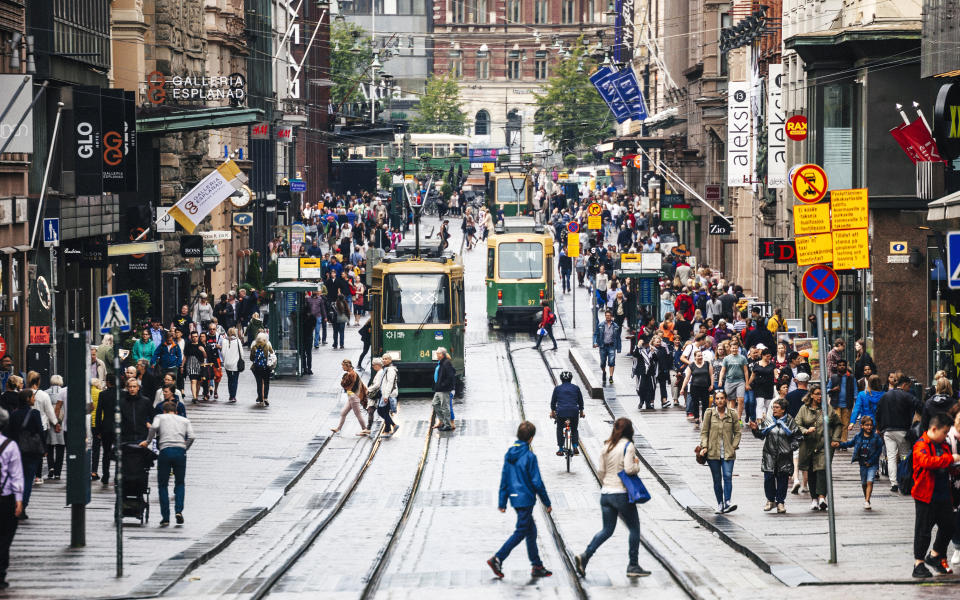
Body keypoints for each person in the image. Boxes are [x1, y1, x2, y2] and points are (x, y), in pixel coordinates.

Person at [574, 417, 650, 578]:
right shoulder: (628, 446)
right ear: (629, 431)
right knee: (634, 528)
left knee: (607, 530)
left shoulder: (606, 446)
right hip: (621, 494)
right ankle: (633, 565)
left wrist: (606, 484)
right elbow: (629, 469)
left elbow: (600, 471)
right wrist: (637, 464)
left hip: (606, 494)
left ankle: (585, 556)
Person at [487, 421, 553, 579]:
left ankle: (537, 565)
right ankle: (497, 558)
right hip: (526, 499)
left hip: (515, 499)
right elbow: (537, 482)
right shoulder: (530, 456)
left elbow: (504, 478)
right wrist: (547, 502)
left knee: (531, 531)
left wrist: (502, 502)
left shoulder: (509, 454)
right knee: (521, 531)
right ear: (531, 438)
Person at [910, 412, 960, 578]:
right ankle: (919, 564)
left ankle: (934, 555)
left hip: (943, 495)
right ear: (934, 429)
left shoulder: (942, 445)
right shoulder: (921, 445)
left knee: (949, 526)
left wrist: (954, 465)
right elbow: (926, 462)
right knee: (923, 531)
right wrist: (950, 459)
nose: (946, 436)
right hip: (925, 496)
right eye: (945, 432)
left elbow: (946, 464)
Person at [141, 400, 196, 527]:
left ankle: (165, 517)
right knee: (180, 482)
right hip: (180, 452)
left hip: (165, 451)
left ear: (164, 411)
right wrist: (184, 447)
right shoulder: (184, 420)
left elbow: (153, 427)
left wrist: (148, 441)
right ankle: (178, 510)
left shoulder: (160, 417)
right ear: (176, 411)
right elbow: (192, 436)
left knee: (163, 485)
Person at [795, 386, 843, 511]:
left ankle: (822, 497)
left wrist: (835, 439)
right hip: (808, 445)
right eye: (817, 394)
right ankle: (814, 499)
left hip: (824, 445)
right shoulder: (804, 409)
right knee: (811, 471)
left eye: (821, 394)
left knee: (822, 469)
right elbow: (797, 424)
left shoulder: (827, 409)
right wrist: (805, 431)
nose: (820, 397)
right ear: (811, 395)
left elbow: (838, 424)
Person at [750, 398, 800, 513]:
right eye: (773, 408)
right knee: (768, 478)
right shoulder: (768, 420)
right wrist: (755, 429)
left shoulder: (790, 421)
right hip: (769, 454)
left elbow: (797, 437)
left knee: (782, 479)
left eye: (777, 408)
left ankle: (781, 502)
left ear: (783, 410)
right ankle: (770, 500)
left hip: (784, 456)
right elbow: (761, 435)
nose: (774, 410)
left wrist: (792, 447)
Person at [876, 374, 922, 493]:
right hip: (902, 430)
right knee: (904, 456)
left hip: (887, 431)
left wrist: (879, 428)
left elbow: (878, 412)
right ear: (905, 384)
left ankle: (893, 483)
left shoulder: (885, 396)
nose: (909, 389)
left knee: (891, 457)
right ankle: (904, 481)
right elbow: (920, 406)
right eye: (908, 387)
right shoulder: (907, 396)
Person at [699, 390, 741, 513]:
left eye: (722, 398)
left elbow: (738, 432)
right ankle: (720, 504)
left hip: (728, 452)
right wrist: (704, 446)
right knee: (717, 479)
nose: (720, 401)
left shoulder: (732, 413)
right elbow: (704, 432)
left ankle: (728, 501)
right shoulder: (709, 413)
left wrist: (733, 446)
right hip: (713, 452)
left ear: (726, 399)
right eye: (717, 398)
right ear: (714, 400)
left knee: (728, 476)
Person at [837, 415, 884, 510]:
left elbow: (879, 450)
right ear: (862, 426)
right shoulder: (858, 436)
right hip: (862, 463)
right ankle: (866, 497)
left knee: (870, 481)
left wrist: (871, 461)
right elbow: (850, 444)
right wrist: (839, 444)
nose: (869, 427)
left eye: (870, 425)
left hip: (872, 463)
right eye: (867, 425)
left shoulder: (876, 437)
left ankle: (867, 500)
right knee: (864, 483)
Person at [7, 390, 41, 519]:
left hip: (16, 451)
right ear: (28, 399)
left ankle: (15, 504)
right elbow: (40, 432)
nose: (34, 399)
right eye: (33, 397)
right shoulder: (35, 414)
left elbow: (9, 432)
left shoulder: (14, 414)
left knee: (16, 478)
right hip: (31, 452)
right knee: (27, 480)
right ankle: (23, 507)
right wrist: (43, 449)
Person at [0, 407, 24, 590]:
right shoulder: (10, 446)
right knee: (5, 537)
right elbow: (16, 475)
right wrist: (19, 500)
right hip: (5, 498)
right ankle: (1, 573)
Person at [550, 371, 584, 455]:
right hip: (574, 412)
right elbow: (580, 401)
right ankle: (575, 446)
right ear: (571, 379)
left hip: (561, 412)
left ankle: (561, 449)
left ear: (561, 379)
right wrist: (581, 412)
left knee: (559, 428)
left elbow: (553, 402)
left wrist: (553, 412)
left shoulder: (557, 388)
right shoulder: (576, 388)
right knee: (574, 428)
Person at [332, 359, 369, 436]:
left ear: (347, 366)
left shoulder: (350, 374)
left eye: (343, 366)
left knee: (358, 414)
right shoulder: (352, 373)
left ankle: (365, 429)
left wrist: (343, 380)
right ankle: (338, 429)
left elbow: (343, 384)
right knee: (343, 413)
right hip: (351, 397)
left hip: (353, 397)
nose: (342, 367)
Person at [718, 337, 749, 420]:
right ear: (730, 349)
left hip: (740, 381)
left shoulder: (742, 358)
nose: (734, 349)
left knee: (741, 399)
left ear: (738, 349)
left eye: (736, 348)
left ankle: (738, 418)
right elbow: (722, 371)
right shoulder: (727, 358)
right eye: (733, 348)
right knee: (731, 400)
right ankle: (731, 417)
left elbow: (746, 371)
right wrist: (720, 380)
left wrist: (747, 383)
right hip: (729, 381)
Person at [681, 349, 713, 426]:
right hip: (695, 387)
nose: (700, 357)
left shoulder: (707, 364)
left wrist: (711, 385)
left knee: (705, 403)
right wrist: (682, 388)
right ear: (695, 357)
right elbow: (687, 378)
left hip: (705, 387)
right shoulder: (691, 365)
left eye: (701, 355)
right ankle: (696, 418)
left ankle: (704, 418)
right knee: (695, 403)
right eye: (698, 356)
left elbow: (711, 375)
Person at [368, 357, 399, 436]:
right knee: (384, 411)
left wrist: (386, 396)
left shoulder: (390, 370)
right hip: (385, 394)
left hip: (388, 394)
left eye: (386, 359)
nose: (384, 360)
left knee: (382, 411)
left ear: (390, 360)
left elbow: (389, 383)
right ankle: (388, 429)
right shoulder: (386, 369)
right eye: (383, 359)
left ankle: (391, 427)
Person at [828, 359, 857, 443]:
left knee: (845, 424)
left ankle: (843, 442)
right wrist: (833, 389)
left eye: (843, 365)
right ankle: (836, 440)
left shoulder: (851, 377)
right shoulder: (833, 377)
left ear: (846, 366)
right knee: (837, 423)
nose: (841, 366)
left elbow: (855, 390)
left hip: (847, 404)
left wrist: (856, 402)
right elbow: (827, 389)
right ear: (837, 367)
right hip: (835, 404)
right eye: (840, 365)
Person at [119, 378, 154, 444]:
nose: (132, 389)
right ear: (127, 388)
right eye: (130, 387)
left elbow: (152, 416)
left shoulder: (146, 401)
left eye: (134, 386)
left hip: (142, 437)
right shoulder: (122, 403)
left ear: (138, 387)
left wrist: (149, 423)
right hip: (126, 438)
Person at [594, 310, 621, 385]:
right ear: (605, 316)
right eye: (606, 315)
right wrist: (595, 342)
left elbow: (618, 337)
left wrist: (619, 348)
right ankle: (604, 372)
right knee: (602, 363)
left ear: (611, 316)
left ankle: (611, 377)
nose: (608, 317)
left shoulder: (615, 326)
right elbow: (596, 334)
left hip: (611, 346)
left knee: (611, 362)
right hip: (603, 346)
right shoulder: (601, 325)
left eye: (609, 315)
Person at [432, 347, 456, 431]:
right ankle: (442, 421)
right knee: (435, 404)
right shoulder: (441, 363)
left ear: (442, 354)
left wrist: (443, 385)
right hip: (438, 389)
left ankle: (447, 424)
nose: (436, 355)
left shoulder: (446, 363)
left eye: (438, 354)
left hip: (444, 389)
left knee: (445, 406)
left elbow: (450, 376)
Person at [249, 332, 276, 407]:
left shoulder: (254, 347)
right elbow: (272, 354)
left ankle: (261, 399)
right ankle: (266, 398)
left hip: (257, 368)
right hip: (266, 368)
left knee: (259, 383)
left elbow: (251, 358)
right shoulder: (267, 346)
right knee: (266, 383)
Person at [221, 327, 243, 403]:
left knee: (230, 379)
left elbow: (223, 353)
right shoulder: (237, 341)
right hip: (235, 364)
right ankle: (233, 396)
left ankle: (230, 395)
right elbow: (241, 353)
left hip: (227, 364)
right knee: (235, 380)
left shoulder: (224, 341)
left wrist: (225, 360)